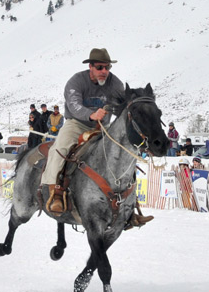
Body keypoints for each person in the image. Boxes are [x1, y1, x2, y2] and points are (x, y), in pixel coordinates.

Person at [40, 48, 152, 227]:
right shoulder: (76, 81)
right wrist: (91, 115)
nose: (104, 72)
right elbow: (73, 104)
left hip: (103, 128)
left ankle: (130, 207)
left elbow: (125, 106)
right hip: (77, 124)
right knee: (60, 150)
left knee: (125, 157)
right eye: (100, 67)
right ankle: (56, 193)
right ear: (90, 66)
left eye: (107, 67)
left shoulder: (115, 84)